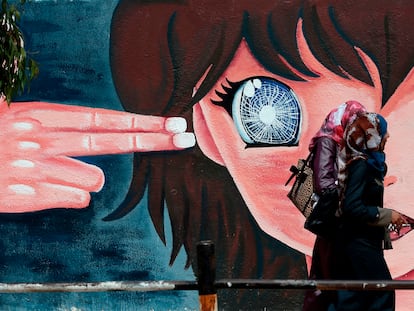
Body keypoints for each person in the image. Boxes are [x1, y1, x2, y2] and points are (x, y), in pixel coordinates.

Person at [333, 112, 407, 311]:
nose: (387, 136)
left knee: (356, 299)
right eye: (383, 131)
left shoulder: (368, 164)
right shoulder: (361, 165)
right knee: (382, 293)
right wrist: (385, 215)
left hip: (362, 241)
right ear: (370, 135)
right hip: (359, 242)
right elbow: (351, 207)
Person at [303, 100, 366, 311]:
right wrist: (350, 196)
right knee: (329, 278)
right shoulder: (328, 139)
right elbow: (323, 183)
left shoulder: (345, 141)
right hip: (333, 221)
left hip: (339, 221)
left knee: (327, 279)